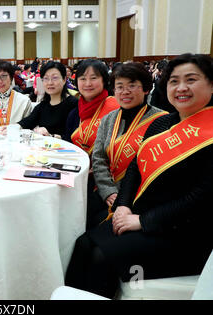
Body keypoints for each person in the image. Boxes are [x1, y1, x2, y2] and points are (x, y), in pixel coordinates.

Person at [65, 53, 213, 299]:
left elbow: (200, 199)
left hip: (184, 233)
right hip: (140, 212)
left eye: (191, 79)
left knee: (100, 255)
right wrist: (122, 205)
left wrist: (142, 221)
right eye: (174, 81)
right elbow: (134, 169)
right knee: (83, 244)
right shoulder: (163, 125)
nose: (181, 87)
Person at [89, 62, 167, 228]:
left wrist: (124, 198)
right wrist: (107, 190)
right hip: (107, 189)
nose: (125, 91)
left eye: (132, 85)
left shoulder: (162, 121)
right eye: (120, 86)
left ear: (146, 89)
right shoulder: (108, 119)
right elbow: (98, 158)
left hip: (138, 198)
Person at [65, 59, 120, 154]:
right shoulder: (74, 112)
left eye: (93, 78)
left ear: (104, 80)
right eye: (83, 79)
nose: (88, 84)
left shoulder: (116, 108)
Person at [17, 61, 78, 138]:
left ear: (64, 80)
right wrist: (12, 127)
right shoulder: (43, 105)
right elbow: (27, 122)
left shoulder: (74, 104)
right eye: (46, 78)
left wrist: (51, 136)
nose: (50, 83)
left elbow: (73, 137)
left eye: (54, 78)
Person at [0, 60, 32, 130]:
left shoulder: (24, 101)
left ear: (11, 77)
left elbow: (28, 129)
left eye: (3, 76)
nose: (0, 81)